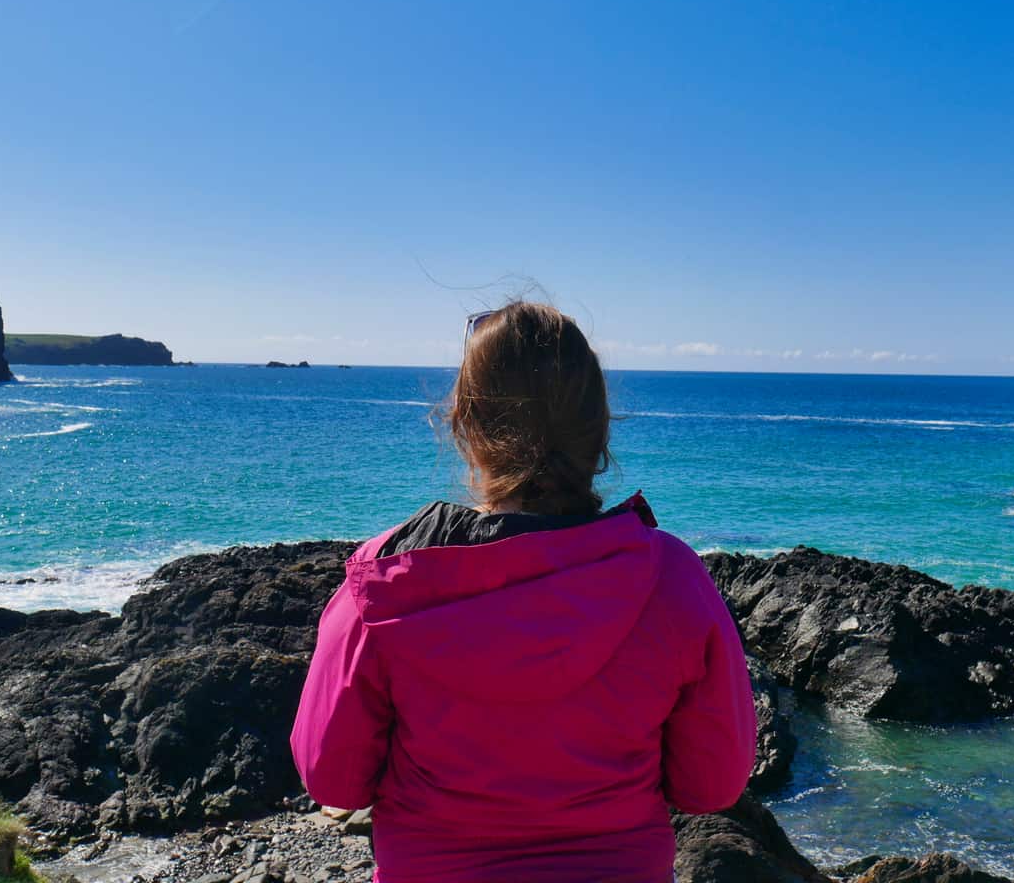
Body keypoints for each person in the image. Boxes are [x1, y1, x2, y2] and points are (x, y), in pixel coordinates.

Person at [290, 301, 756, 883]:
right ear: (599, 427)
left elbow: (331, 779)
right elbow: (711, 786)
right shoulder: (672, 578)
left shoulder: (384, 585)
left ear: (465, 423)